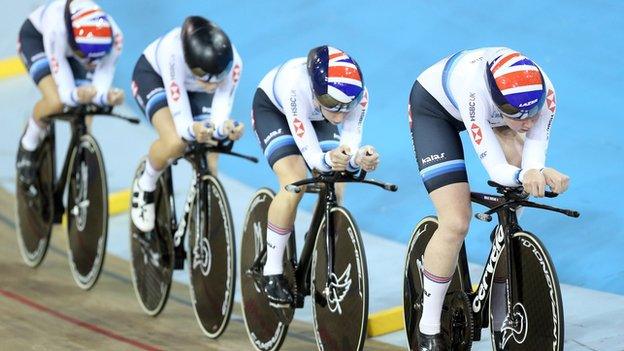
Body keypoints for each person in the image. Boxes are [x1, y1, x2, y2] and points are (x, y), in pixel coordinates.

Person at [408, 47, 570, 350]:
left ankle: (499, 291)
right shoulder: (474, 91)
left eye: (533, 114)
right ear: (498, 102)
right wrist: (526, 174)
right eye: (518, 116)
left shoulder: (542, 91)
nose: (528, 122)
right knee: (456, 222)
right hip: (435, 110)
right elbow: (496, 168)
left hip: (494, 114)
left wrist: (538, 170)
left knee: (519, 190)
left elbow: (534, 150)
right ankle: (428, 327)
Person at [251, 45, 380, 306]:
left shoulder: (355, 96)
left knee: (338, 183)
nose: (341, 114)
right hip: (275, 112)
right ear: (316, 91)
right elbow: (311, 153)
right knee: (293, 182)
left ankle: (317, 238)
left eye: (348, 107)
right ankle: (272, 271)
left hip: (317, 116)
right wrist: (327, 160)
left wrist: (357, 159)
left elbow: (350, 141)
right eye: (334, 105)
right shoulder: (295, 87)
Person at [130, 16, 244, 232]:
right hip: (155, 78)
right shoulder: (171, 54)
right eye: (206, 78)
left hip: (194, 89)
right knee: (175, 142)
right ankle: (146, 184)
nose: (213, 86)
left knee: (211, 151)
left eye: (219, 79)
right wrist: (194, 129)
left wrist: (224, 129)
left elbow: (219, 115)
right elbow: (182, 120)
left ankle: (203, 218)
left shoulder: (233, 63)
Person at [16, 0, 124, 185]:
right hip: (38, 40)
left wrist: (105, 96)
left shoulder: (115, 37)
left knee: (87, 111)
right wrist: (76, 94)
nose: (91, 64)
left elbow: (99, 87)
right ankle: (29, 143)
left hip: (76, 50)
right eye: (87, 59)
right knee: (55, 101)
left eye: (94, 61)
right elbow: (66, 93)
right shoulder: (55, 27)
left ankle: (80, 159)